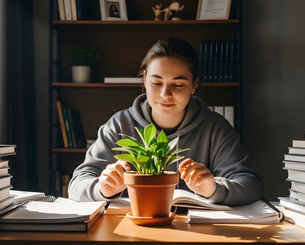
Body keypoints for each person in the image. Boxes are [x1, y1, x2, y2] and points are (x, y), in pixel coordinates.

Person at [68, 37, 264, 205]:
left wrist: (214, 188)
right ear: (144, 79)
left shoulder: (215, 128)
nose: (165, 94)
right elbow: (76, 186)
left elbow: (251, 186)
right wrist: (102, 188)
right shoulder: (119, 124)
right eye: (156, 82)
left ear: (194, 85)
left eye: (178, 84)